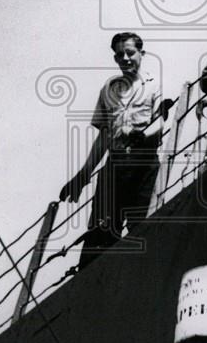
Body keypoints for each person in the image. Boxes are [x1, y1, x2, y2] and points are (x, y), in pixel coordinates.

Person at [59, 32, 167, 268]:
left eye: (130, 53)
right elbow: (103, 137)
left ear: (142, 54)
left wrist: (140, 135)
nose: (125, 58)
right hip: (115, 167)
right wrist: (83, 175)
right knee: (100, 231)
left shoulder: (153, 85)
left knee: (143, 228)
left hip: (144, 165)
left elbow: (159, 124)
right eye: (120, 55)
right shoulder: (108, 90)